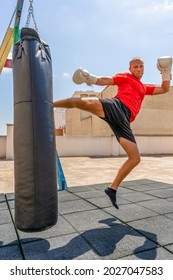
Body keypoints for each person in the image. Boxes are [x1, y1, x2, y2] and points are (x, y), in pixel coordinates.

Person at [53, 56, 172, 209]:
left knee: (135, 158)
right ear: (130, 69)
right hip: (116, 106)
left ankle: (112, 188)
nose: (138, 69)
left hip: (124, 121)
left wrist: (166, 71)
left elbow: (164, 88)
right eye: (135, 67)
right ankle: (47, 104)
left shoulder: (144, 87)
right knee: (80, 102)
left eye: (141, 66)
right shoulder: (126, 77)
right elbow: (107, 80)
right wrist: (91, 78)